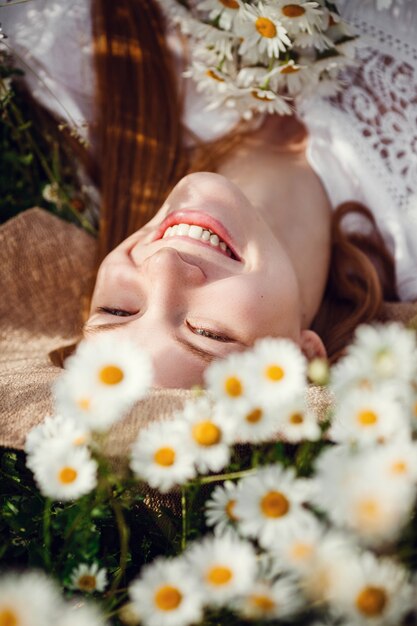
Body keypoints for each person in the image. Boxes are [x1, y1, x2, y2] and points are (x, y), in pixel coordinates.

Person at [1, 0, 416, 390]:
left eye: (118, 311)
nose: (164, 264)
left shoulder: (88, 79)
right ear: (300, 360)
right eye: (207, 333)